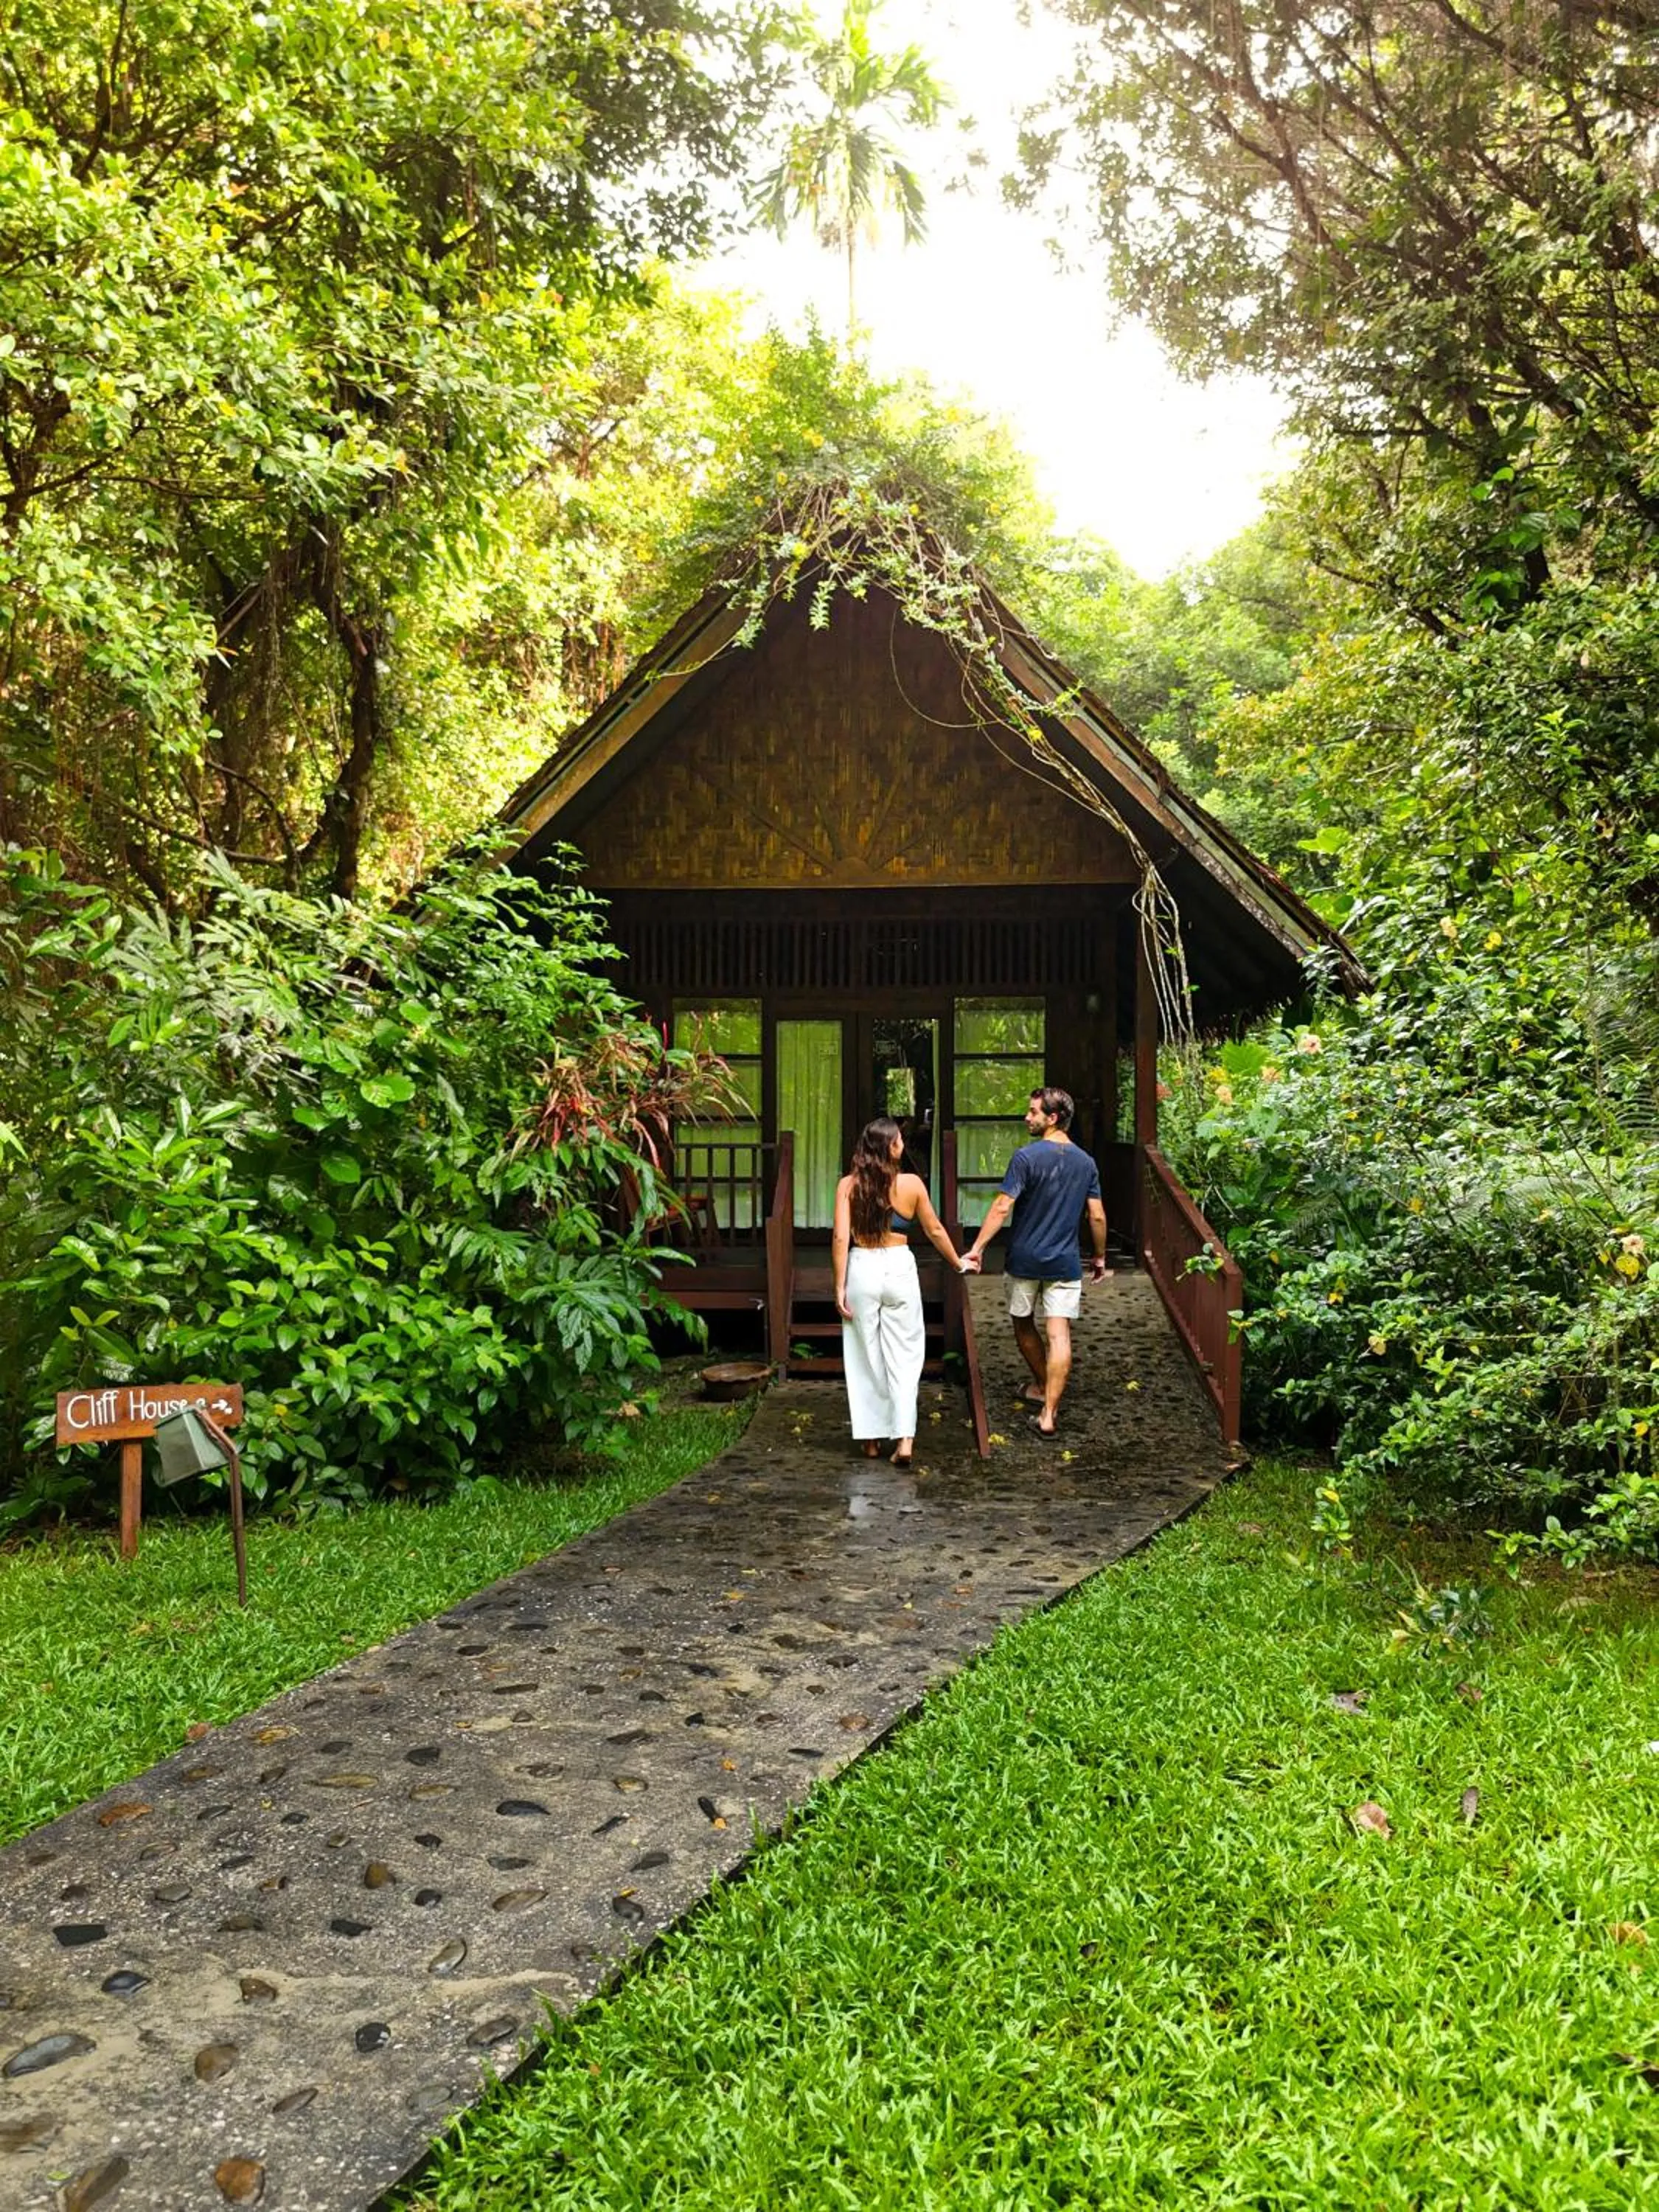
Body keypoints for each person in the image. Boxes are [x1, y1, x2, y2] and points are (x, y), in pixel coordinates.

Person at [961, 1088, 1107, 1439]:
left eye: (1033, 1112)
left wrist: (978, 1248)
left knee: (1023, 1324)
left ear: (1052, 1118)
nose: (1027, 1117)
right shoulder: (1086, 1163)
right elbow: (1097, 1216)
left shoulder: (1026, 1158)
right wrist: (1100, 1256)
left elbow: (1001, 1207)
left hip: (1024, 1259)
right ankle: (1049, 1411)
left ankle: (1044, 1385)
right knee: (1059, 1334)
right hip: (1064, 1261)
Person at [833, 1116, 970, 1469]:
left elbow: (839, 1238)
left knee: (864, 1354)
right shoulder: (911, 1184)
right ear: (890, 1148)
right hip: (899, 1266)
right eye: (899, 1141)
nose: (903, 1145)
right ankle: (905, 1438)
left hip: (862, 1264)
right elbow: (935, 1229)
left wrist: (839, 1284)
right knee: (906, 1354)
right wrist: (958, 1263)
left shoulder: (848, 1185)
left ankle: (872, 1440)